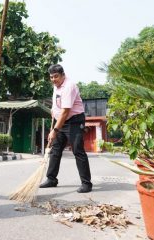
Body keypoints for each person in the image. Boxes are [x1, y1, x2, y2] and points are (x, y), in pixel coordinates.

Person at [39, 64, 92, 193]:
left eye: (56, 76)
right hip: (60, 120)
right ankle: (51, 179)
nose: (53, 79)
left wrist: (55, 130)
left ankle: (86, 183)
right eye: (51, 77)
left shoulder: (69, 86)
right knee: (55, 150)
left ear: (63, 75)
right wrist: (53, 111)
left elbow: (65, 111)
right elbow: (58, 105)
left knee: (77, 150)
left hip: (74, 120)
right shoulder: (56, 86)